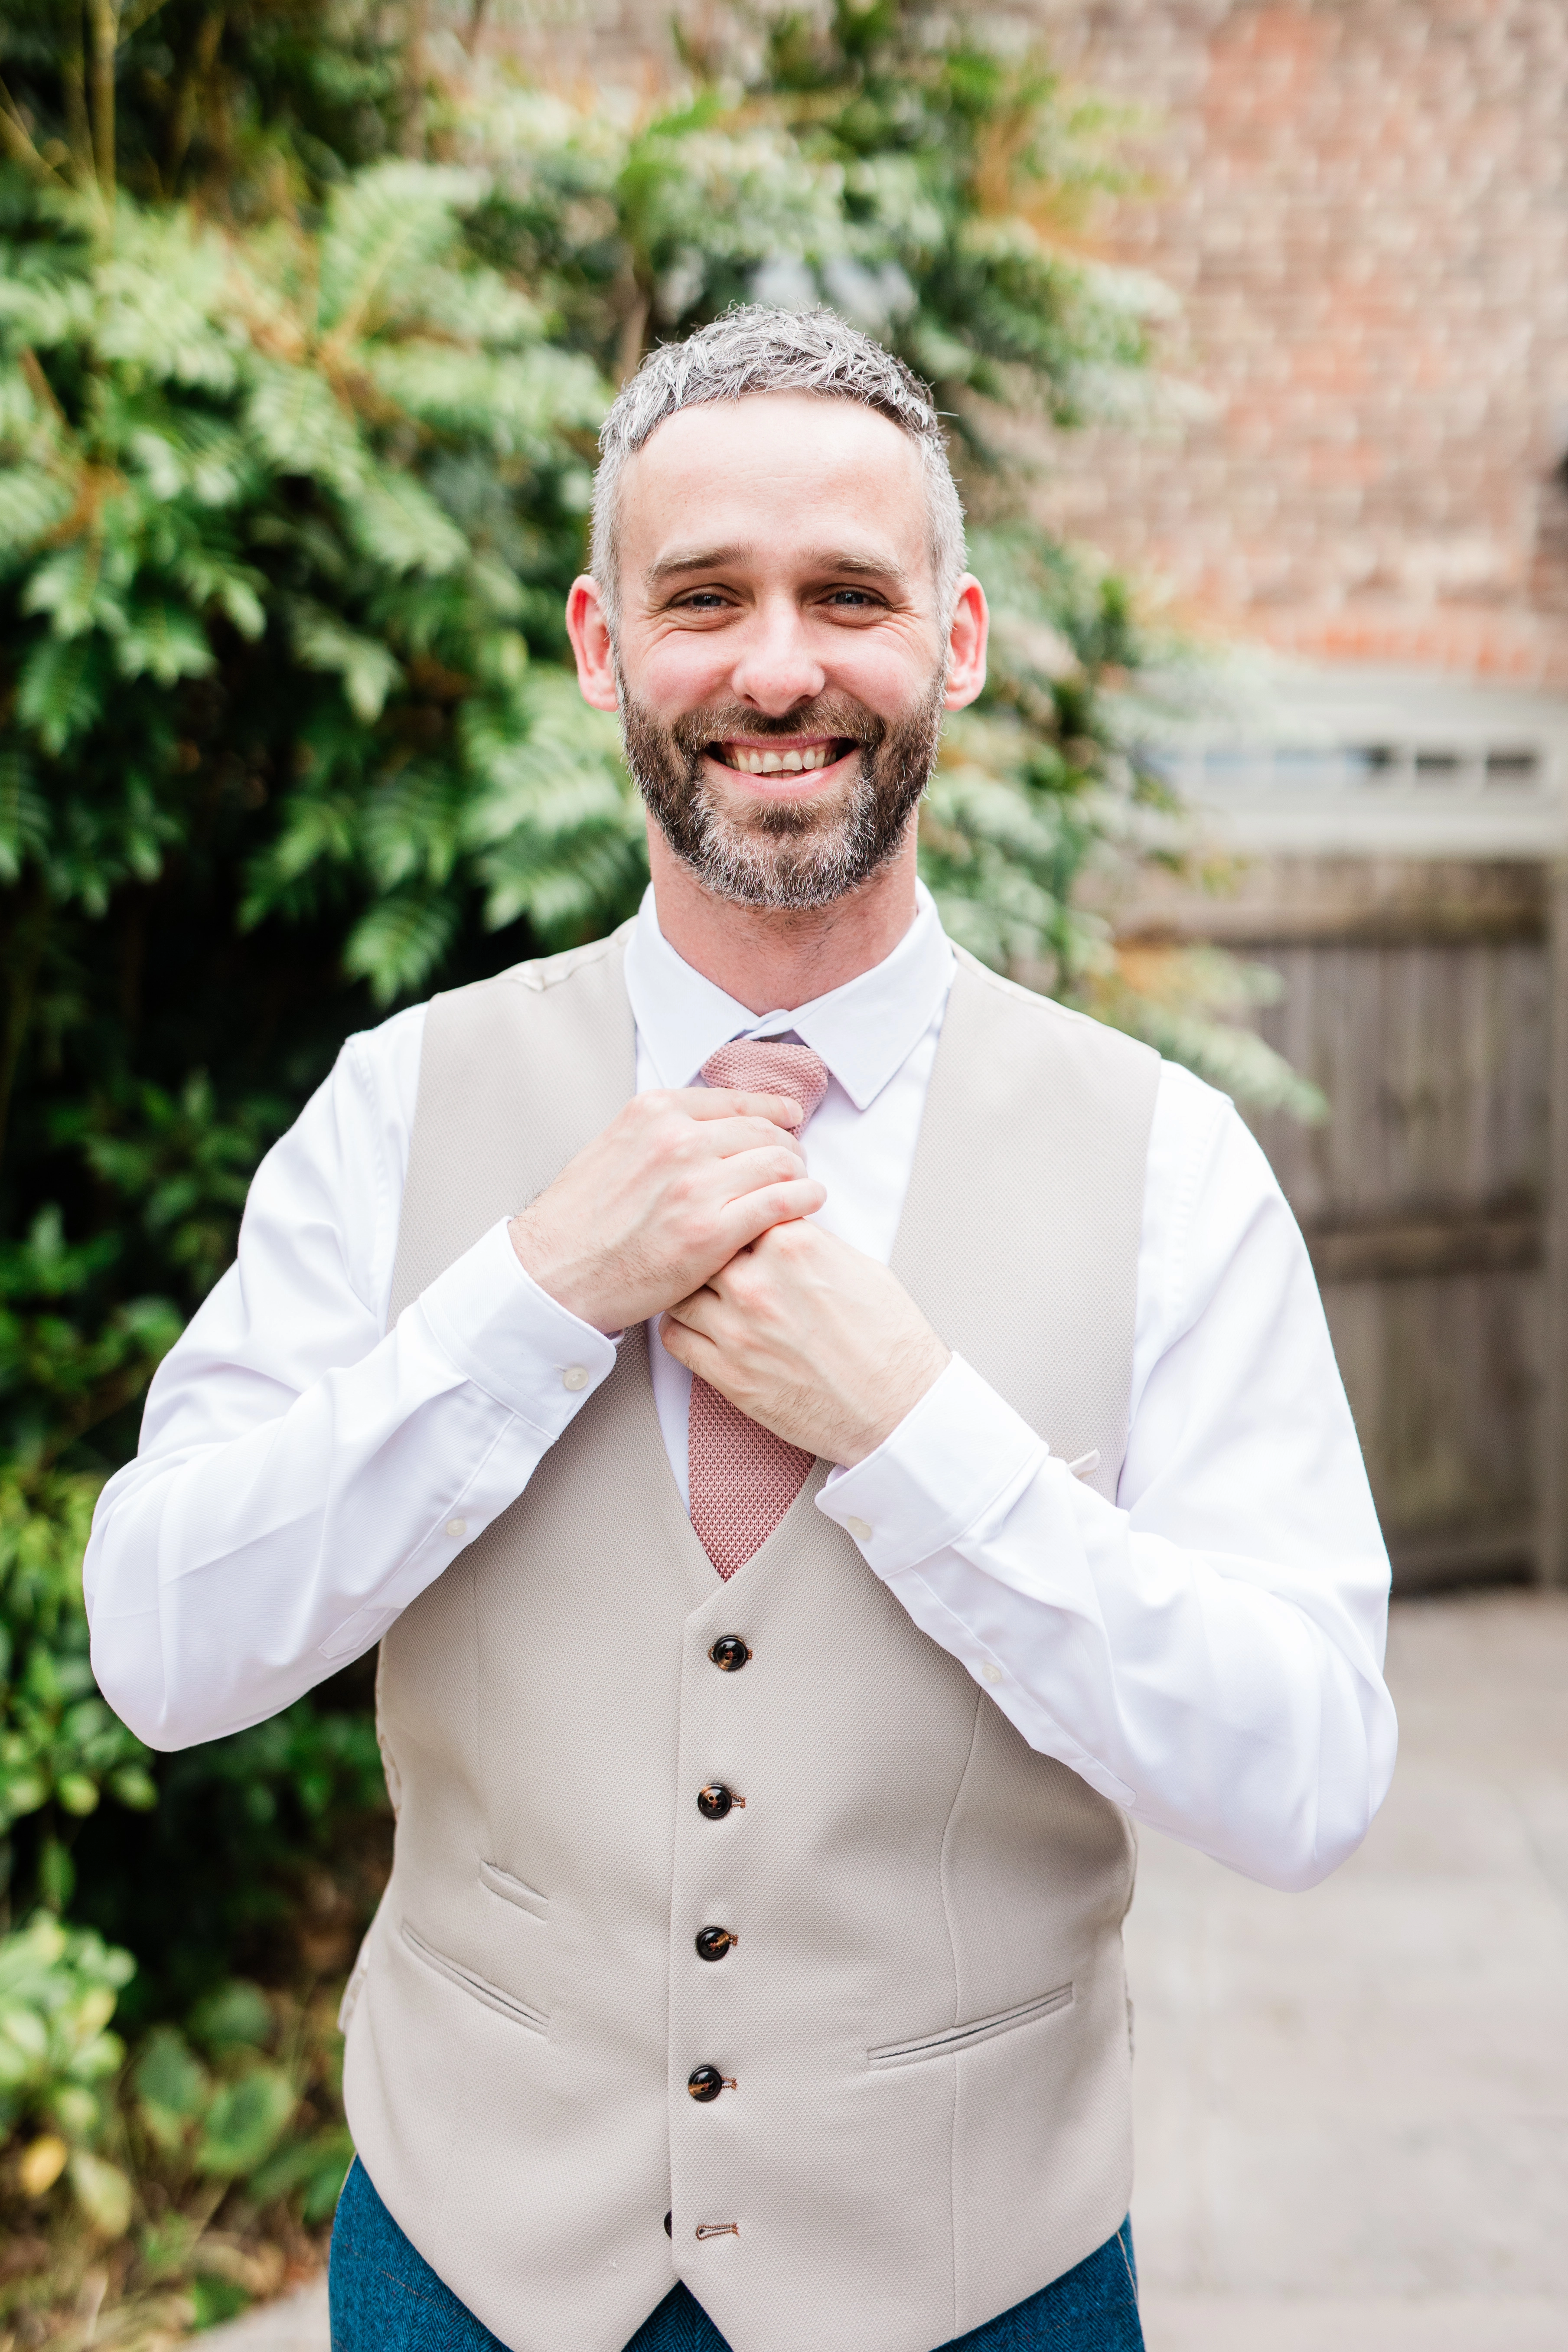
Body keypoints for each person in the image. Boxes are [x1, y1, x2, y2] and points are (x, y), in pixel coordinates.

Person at [83, 307, 1396, 2352]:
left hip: (986, 2292)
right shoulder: (401, 1108)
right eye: (705, 598)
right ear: (607, 648)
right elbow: (160, 1646)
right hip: (467, 2277)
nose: (776, 668)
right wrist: (525, 1303)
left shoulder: (1170, 1165)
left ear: (953, 642)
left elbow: (1305, 1773)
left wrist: (912, 1430)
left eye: (845, 597)